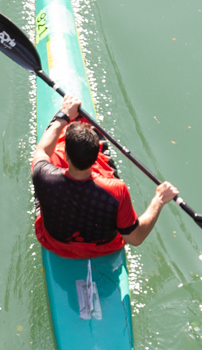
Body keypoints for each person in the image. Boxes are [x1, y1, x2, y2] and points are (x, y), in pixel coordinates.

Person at [30, 96, 178, 257]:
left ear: (67, 155)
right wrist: (160, 199)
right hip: (106, 248)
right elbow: (135, 238)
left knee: (52, 153)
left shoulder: (43, 174)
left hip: (53, 243)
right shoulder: (116, 190)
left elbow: (42, 151)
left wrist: (64, 114)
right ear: (95, 158)